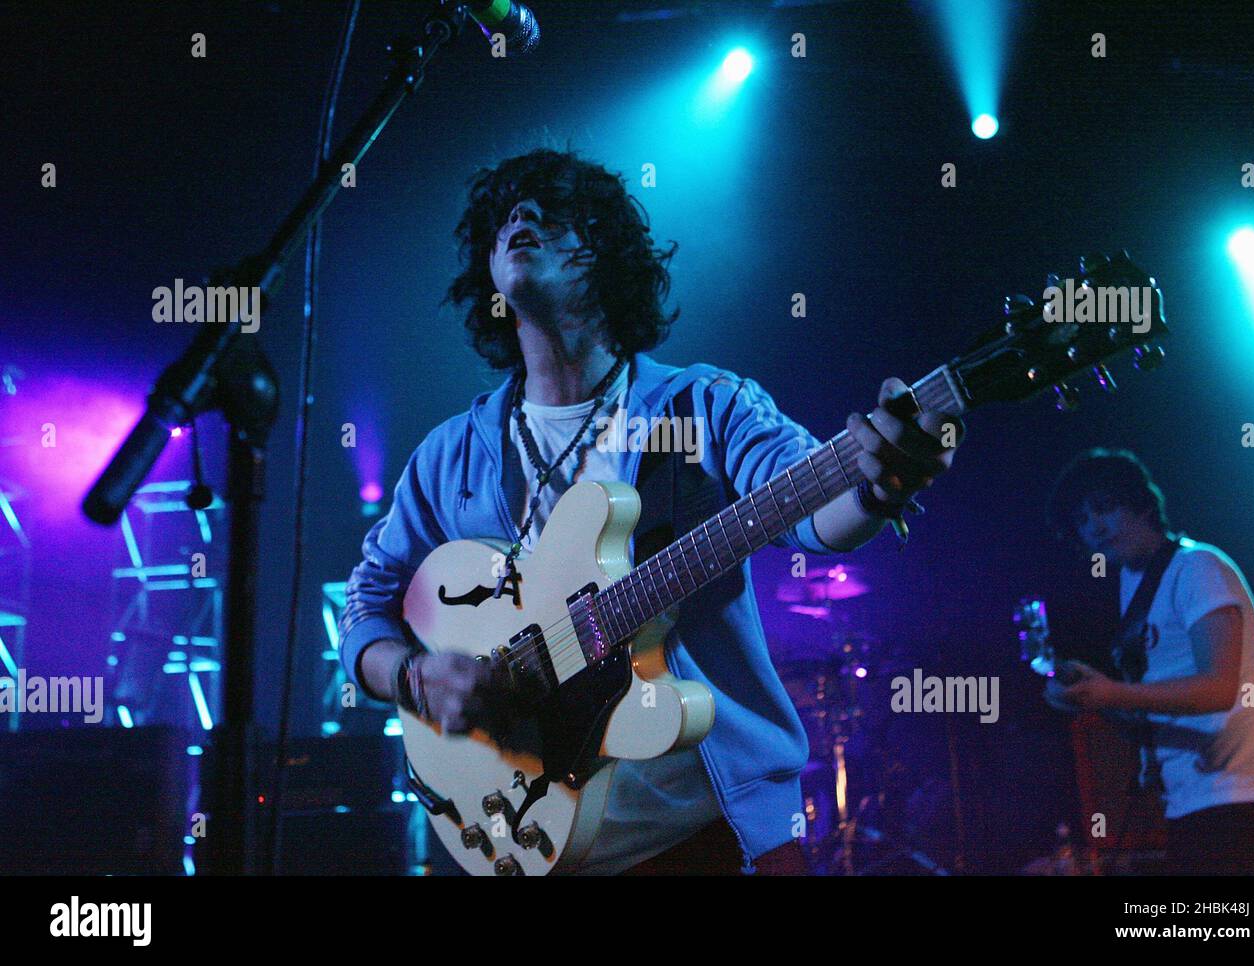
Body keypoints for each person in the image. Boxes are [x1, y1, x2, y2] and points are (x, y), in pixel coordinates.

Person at [339, 148, 962, 874]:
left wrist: (879, 485)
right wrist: (411, 677)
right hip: (526, 847)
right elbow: (365, 606)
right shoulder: (450, 455)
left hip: (710, 843)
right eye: (506, 216)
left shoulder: (706, 405)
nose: (522, 219)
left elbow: (808, 509)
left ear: (607, 255)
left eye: (551, 210)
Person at [1045, 448, 1254, 874]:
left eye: (1106, 508)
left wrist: (1112, 691)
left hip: (1246, 804)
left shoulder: (1198, 567)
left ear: (1142, 502)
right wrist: (1092, 698)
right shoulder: (1132, 583)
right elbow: (1153, 706)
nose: (1096, 528)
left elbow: (1219, 688)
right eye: (1083, 521)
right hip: (1190, 805)